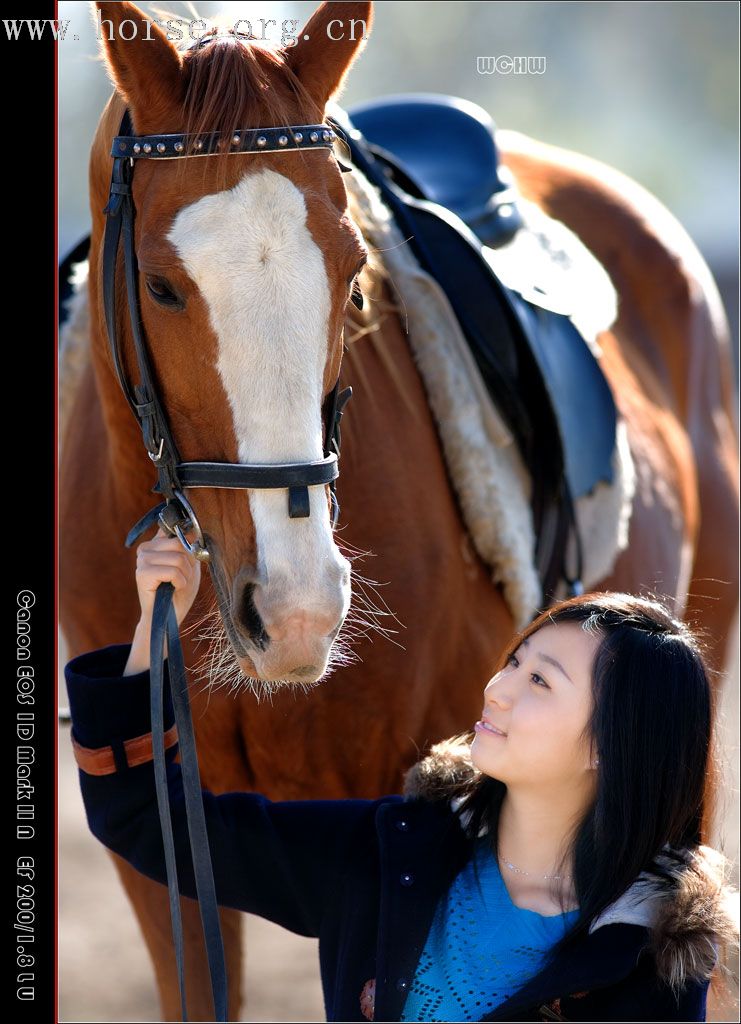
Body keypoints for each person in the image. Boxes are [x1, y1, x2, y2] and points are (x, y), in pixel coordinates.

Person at [65, 529, 738, 1022]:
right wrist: (157, 623)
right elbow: (151, 823)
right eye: (514, 661)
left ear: (610, 746)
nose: (495, 688)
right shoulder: (388, 850)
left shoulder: (650, 959)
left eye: (539, 681)